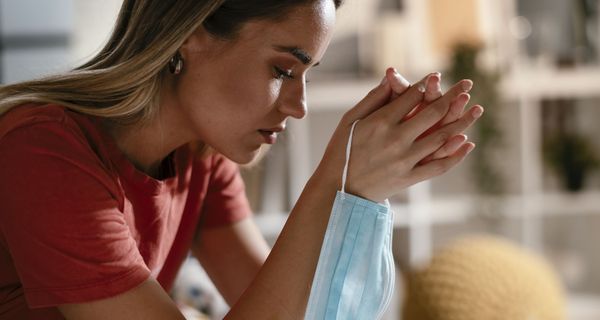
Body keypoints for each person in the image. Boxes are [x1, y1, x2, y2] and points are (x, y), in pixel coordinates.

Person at [0, 0, 483, 319]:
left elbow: (288, 306)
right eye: (282, 69)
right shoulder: (42, 152)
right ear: (192, 34)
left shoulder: (201, 158)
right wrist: (333, 184)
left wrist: (362, 190)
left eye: (307, 75)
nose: (300, 106)